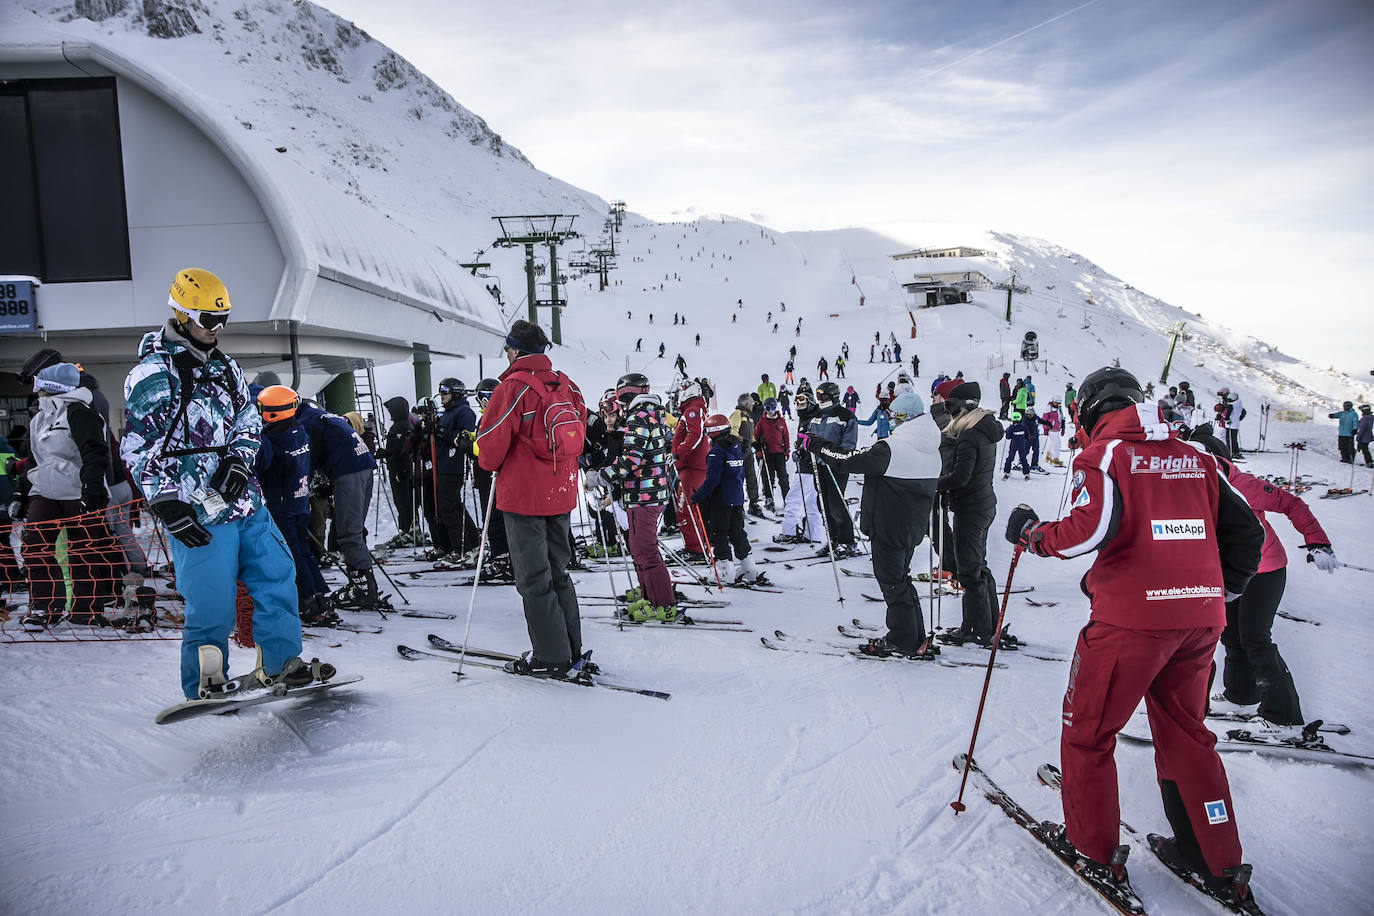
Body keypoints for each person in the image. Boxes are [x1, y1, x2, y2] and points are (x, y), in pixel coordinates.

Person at [1003, 367, 1263, 908]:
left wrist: (1033, 535)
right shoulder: (1196, 455)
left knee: (1088, 732)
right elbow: (1249, 532)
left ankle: (1091, 849)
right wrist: (1217, 591)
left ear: (1090, 410)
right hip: (1198, 621)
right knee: (1186, 732)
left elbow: (1086, 532)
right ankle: (1215, 858)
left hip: (1130, 623)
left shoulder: (1104, 455)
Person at [121, 268, 331, 699]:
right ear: (180, 315)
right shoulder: (151, 375)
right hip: (197, 509)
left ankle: (282, 663)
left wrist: (238, 459)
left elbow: (248, 419)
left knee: (278, 576)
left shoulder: (226, 368)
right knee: (212, 602)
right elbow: (137, 446)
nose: (215, 330)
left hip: (244, 502)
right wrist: (166, 502)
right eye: (206, 320)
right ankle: (207, 678)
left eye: (223, 320)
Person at [1186, 427, 1335, 732]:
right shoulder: (1192, 486)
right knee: (1231, 635)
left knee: (1255, 637)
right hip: (1230, 571)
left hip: (1265, 571)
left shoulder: (1243, 485)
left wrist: (1317, 541)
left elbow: (1292, 504)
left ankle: (1284, 716)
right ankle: (1241, 695)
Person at [475, 320, 588, 677]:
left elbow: (490, 450)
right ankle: (570, 648)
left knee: (533, 578)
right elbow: (579, 429)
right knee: (558, 572)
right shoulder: (566, 385)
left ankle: (551, 656)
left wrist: (475, 447)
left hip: (524, 496)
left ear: (514, 349)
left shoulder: (512, 388)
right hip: (561, 491)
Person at [805, 391, 940, 656]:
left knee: (892, 582)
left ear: (904, 418)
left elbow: (848, 461)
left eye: (894, 417)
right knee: (901, 579)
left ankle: (902, 639)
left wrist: (818, 445)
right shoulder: (930, 446)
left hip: (888, 525)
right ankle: (914, 635)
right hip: (911, 525)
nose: (891, 421)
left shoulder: (892, 447)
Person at [15, 363, 113, 630]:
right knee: (34, 547)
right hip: (44, 492)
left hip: (78, 492)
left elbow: (95, 452)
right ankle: (45, 606)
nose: (36, 391)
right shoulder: (38, 419)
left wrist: (91, 490)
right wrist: (22, 494)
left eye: (40, 385)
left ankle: (87, 609)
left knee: (83, 552)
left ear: (51, 387)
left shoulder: (81, 412)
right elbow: (35, 460)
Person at [590, 373, 677, 621]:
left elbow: (631, 460)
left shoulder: (640, 416)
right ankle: (651, 596)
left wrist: (601, 477)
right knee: (639, 548)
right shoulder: (650, 413)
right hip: (646, 493)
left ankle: (664, 604)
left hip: (644, 495)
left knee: (645, 550)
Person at [931, 380, 1006, 647]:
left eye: (951, 406)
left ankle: (976, 628)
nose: (949, 412)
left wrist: (934, 485)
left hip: (971, 507)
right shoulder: (983, 430)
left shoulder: (970, 436)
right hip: (982, 504)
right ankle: (986, 622)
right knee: (977, 565)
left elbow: (961, 477)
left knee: (969, 570)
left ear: (963, 407)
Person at [253, 385, 335, 626]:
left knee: (291, 556)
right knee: (304, 552)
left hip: (280, 506)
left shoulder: (270, 440)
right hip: (299, 502)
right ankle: (319, 596)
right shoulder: (299, 431)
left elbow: (259, 467)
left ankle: (307, 602)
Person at [295, 397, 381, 610]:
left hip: (348, 471)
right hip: (362, 467)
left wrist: (312, 483)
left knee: (348, 533)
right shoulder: (320, 415)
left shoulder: (306, 421)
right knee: (353, 529)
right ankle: (363, 584)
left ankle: (363, 588)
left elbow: (307, 458)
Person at [692, 414, 766, 585]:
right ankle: (749, 569)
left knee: (719, 533)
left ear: (713, 432)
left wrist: (698, 496)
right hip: (736, 497)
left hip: (721, 499)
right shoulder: (736, 446)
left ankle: (725, 572)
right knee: (737, 532)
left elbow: (712, 480)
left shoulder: (716, 452)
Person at [807, 382, 859, 558]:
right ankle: (833, 539)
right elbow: (809, 437)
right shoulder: (816, 416)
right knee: (823, 505)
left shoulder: (845, 416)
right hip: (819, 466)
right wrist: (801, 451)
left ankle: (847, 541)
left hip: (837, 466)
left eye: (823, 397)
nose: (820, 400)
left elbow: (849, 444)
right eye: (818, 396)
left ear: (833, 397)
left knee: (836, 504)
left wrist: (835, 458)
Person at [433, 378, 481, 568]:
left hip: (453, 466)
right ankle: (470, 545)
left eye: (445, 390)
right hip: (443, 464)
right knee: (453, 506)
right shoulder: (448, 412)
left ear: (456, 393)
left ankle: (460, 548)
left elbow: (464, 436)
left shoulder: (464, 411)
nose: (442, 394)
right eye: (440, 390)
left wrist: (443, 432)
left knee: (448, 508)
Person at [776, 390, 824, 545]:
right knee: (811, 502)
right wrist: (799, 450)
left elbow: (814, 442)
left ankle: (789, 532)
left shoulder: (812, 420)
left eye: (802, 404)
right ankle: (813, 534)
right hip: (806, 466)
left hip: (808, 467)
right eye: (797, 404)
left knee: (793, 499)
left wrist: (802, 454)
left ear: (809, 404)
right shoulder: (806, 419)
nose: (799, 407)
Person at [671, 378, 712, 560]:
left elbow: (694, 436)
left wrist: (678, 453)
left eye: (684, 389)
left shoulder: (693, 410)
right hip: (691, 467)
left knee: (685, 509)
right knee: (690, 508)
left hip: (691, 468)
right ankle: (697, 545)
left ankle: (695, 549)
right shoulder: (694, 409)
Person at [379, 395, 417, 547]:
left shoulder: (400, 427)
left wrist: (384, 453)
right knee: (405, 499)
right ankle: (410, 527)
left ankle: (406, 529)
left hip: (399, 468)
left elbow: (399, 448)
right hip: (403, 467)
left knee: (402, 499)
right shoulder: (406, 424)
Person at [730, 394, 764, 518]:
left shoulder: (749, 417)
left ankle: (753, 503)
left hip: (748, 451)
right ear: (745, 403)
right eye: (750, 402)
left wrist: (756, 443)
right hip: (739, 452)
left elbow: (751, 434)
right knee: (739, 478)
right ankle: (738, 506)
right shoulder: (737, 414)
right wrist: (740, 441)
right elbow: (732, 432)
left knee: (752, 477)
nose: (752, 404)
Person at [754, 398, 789, 512]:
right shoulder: (762, 422)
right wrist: (759, 450)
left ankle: (787, 499)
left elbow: (786, 436)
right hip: (767, 453)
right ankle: (769, 499)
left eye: (773, 408)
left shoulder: (781, 421)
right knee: (768, 477)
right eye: (768, 408)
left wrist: (787, 450)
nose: (770, 411)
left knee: (783, 477)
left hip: (779, 453)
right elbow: (755, 436)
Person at [1214, 387, 1244, 459]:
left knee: (1229, 438)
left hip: (1230, 424)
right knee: (1233, 438)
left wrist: (1226, 419)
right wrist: (1238, 419)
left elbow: (1228, 413)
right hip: (1235, 424)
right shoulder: (1238, 405)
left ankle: (1230, 451)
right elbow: (1242, 412)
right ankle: (1235, 451)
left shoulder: (1231, 405)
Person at [1001, 410, 1032, 481]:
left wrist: (1008, 431)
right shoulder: (1024, 427)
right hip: (1022, 445)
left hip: (1014, 445)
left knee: (1010, 458)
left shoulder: (1011, 428)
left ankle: (1007, 472)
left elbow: (1008, 437)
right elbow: (1027, 436)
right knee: (1023, 459)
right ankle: (1026, 473)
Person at [1041, 400, 1065, 467]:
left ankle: (1048, 456)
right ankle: (1055, 459)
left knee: (1052, 443)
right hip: (1052, 429)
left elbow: (1062, 418)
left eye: (1059, 404)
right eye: (1056, 403)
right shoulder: (1049, 408)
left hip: (1057, 428)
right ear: (1053, 402)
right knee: (1057, 444)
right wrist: (1045, 429)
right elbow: (1044, 419)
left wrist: (1063, 428)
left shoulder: (1059, 409)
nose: (1058, 405)